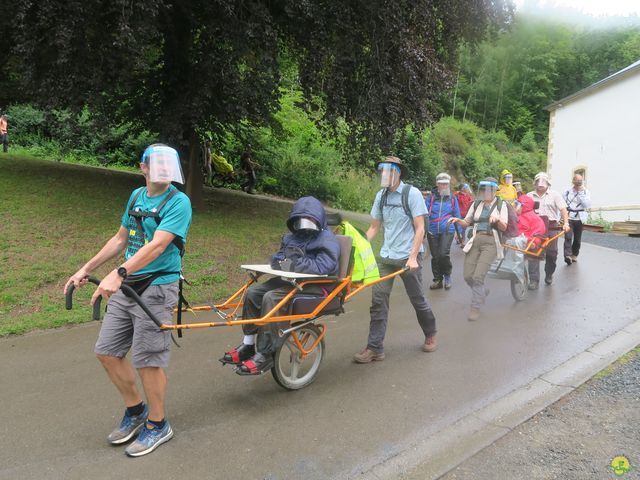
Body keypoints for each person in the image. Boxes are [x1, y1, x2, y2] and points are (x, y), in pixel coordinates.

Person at [63, 144, 192, 457]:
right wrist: (86, 269)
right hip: (129, 282)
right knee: (107, 351)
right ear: (143, 168)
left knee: (148, 360)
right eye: (155, 165)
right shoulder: (136, 196)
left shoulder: (179, 201)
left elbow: (159, 246)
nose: (161, 170)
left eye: (167, 165)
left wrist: (118, 273)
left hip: (159, 286)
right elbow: (121, 239)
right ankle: (136, 411)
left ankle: (159, 424)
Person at [220, 196, 340, 375]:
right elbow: (277, 258)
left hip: (315, 284)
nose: (305, 224)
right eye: (301, 220)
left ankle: (265, 353)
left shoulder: (327, 239)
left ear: (318, 219)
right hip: (291, 281)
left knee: (271, 298)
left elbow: (325, 265)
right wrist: (282, 263)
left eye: (309, 219)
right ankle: (248, 344)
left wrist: (294, 264)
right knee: (253, 293)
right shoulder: (292, 237)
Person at [353, 156, 437, 362]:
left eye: (388, 171)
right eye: (382, 171)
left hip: (408, 257)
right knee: (378, 301)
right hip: (386, 256)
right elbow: (374, 227)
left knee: (418, 300)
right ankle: (375, 348)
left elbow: (420, 229)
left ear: (398, 173)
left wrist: (413, 257)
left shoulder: (412, 194)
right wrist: (358, 245)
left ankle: (430, 334)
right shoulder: (381, 196)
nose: (384, 174)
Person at [449, 178, 508, 321]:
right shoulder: (476, 204)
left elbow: (504, 227)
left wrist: (497, 220)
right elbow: (466, 222)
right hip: (475, 240)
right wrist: (457, 220)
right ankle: (481, 291)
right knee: (468, 276)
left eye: (489, 190)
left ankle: (475, 307)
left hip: (491, 242)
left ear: (494, 191)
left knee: (477, 276)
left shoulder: (501, 205)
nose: (486, 192)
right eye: (484, 190)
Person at [526, 172, 570, 289]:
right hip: (534, 227)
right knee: (533, 252)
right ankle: (534, 280)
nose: (540, 185)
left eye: (543, 182)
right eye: (538, 182)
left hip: (551, 226)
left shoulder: (555, 195)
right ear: (534, 183)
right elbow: (522, 210)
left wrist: (566, 223)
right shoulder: (529, 196)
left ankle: (549, 273)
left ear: (548, 183)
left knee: (552, 253)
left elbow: (563, 210)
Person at [426, 173, 461, 290]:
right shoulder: (430, 198)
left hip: (448, 229)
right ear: (437, 184)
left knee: (443, 254)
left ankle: (447, 275)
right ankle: (437, 279)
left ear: (448, 184)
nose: (443, 186)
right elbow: (424, 214)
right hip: (432, 230)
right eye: (441, 183)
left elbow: (457, 215)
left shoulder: (452, 198)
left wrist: (459, 232)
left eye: (446, 184)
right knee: (435, 256)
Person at [562, 174, 591, 265]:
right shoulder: (567, 192)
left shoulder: (586, 192)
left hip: (580, 218)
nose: (579, 182)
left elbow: (586, 205)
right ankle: (567, 255)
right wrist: (560, 217)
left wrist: (581, 193)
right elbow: (562, 205)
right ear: (573, 181)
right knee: (568, 237)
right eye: (577, 180)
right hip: (569, 217)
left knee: (577, 239)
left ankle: (574, 254)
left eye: (580, 181)